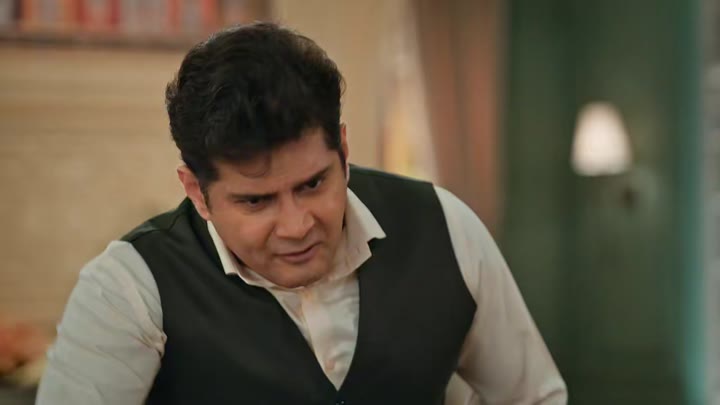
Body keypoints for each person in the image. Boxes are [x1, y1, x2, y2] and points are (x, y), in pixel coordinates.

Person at [36, 22, 566, 405]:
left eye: (313, 184)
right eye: (256, 201)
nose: (296, 226)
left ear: (343, 150)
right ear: (197, 191)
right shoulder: (128, 289)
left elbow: (533, 398)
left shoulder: (444, 228)